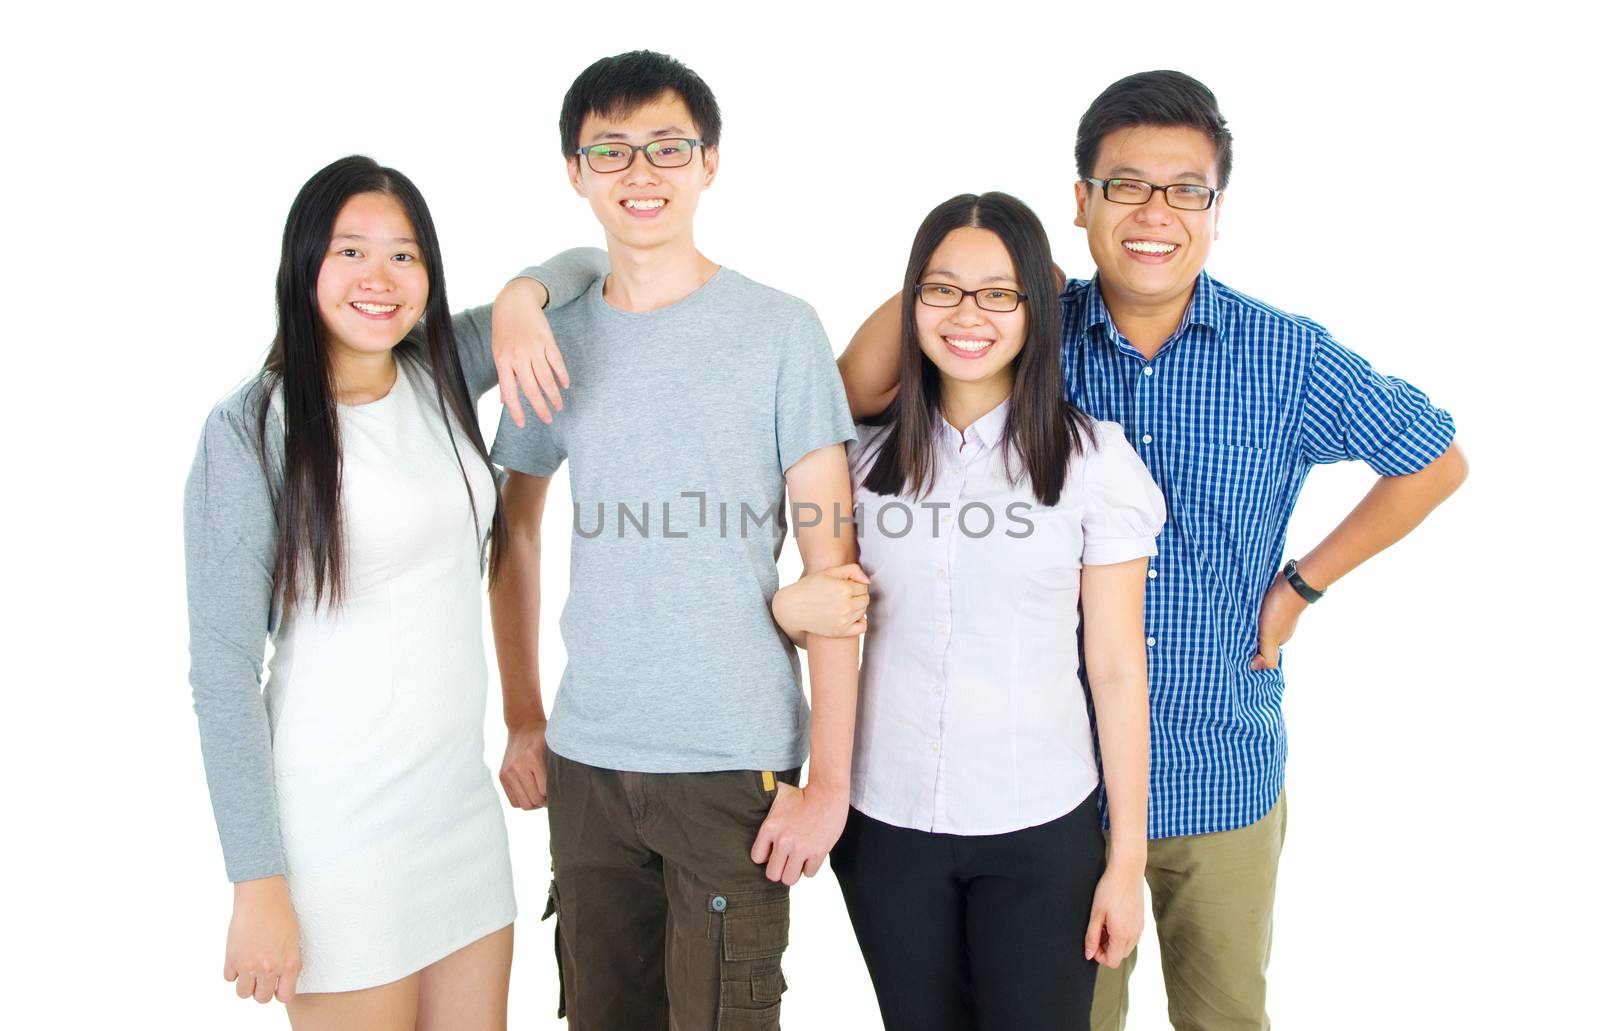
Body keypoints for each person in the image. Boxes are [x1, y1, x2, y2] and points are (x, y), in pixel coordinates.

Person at [817, 71, 1469, 1030]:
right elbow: (856, 390)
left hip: (1219, 758)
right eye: (1125, 185)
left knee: (1224, 1016)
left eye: (1186, 189)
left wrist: (1299, 587)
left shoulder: (1282, 357)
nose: (1155, 212)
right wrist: (984, 265)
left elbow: (1433, 461)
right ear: (1081, 202)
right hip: (1056, 795)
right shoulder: (1027, 326)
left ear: (1217, 209)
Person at [484, 51, 860, 1029]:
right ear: (575, 171)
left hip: (731, 765)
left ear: (709, 163)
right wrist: (524, 714)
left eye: (665, 147)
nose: (639, 173)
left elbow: (834, 572)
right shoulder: (555, 335)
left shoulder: (780, 330)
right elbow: (512, 532)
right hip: (586, 762)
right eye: (609, 151)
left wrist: (830, 780)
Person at [770, 192, 1160, 1030]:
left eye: (1000, 293)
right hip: (887, 826)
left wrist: (1125, 861)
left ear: (1036, 311)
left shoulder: (1097, 464)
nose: (968, 316)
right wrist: (783, 604)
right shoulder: (856, 462)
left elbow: (1119, 667)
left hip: (1039, 828)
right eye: (941, 290)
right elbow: (803, 595)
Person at [182, 155, 526, 1030]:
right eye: (351, 252)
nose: (380, 279)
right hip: (335, 835)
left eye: (405, 256)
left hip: (457, 816)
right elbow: (223, 671)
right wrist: (257, 882)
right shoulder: (252, 427)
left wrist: (521, 301)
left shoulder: (442, 365)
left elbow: (574, 275)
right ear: (305, 265)